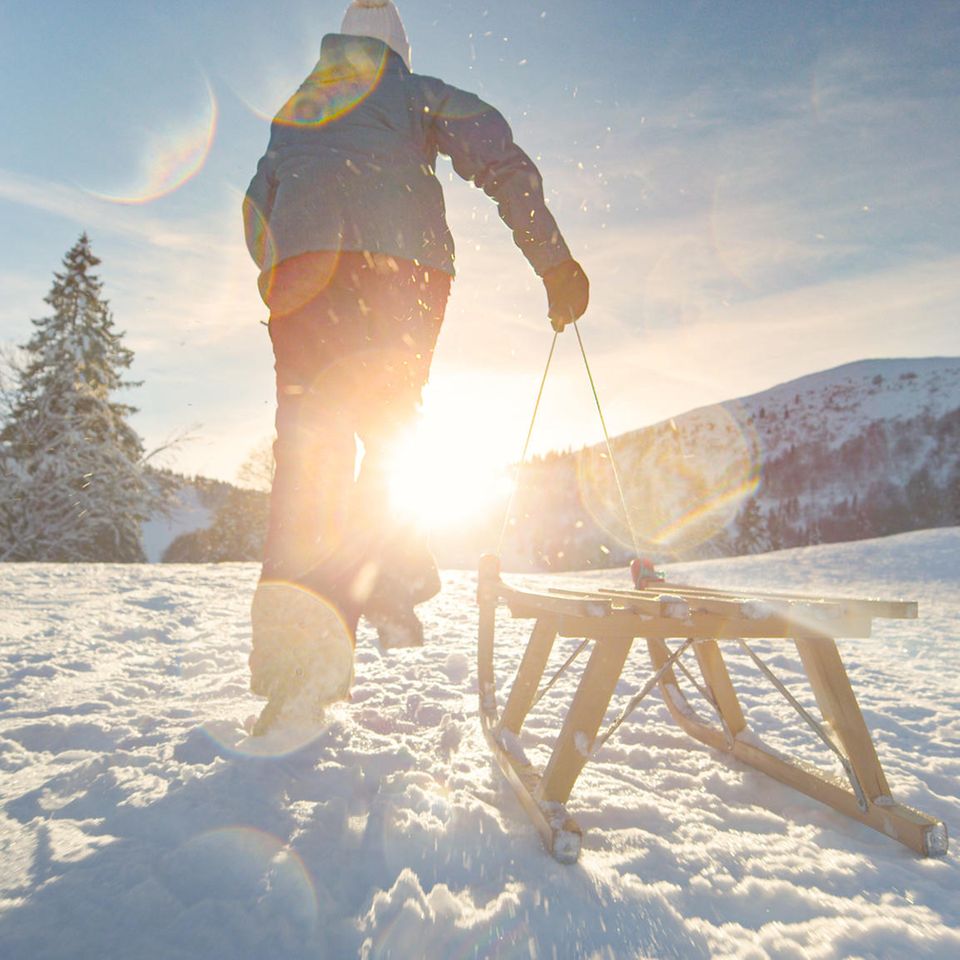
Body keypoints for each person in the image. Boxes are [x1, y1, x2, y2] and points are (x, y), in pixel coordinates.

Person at [242, 0, 588, 732]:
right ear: (398, 47)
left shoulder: (296, 109)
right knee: (393, 425)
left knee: (310, 452)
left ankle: (298, 664)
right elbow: (499, 157)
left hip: (304, 277)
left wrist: (289, 271)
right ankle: (394, 572)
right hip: (401, 269)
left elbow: (255, 205)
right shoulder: (417, 92)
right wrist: (553, 263)